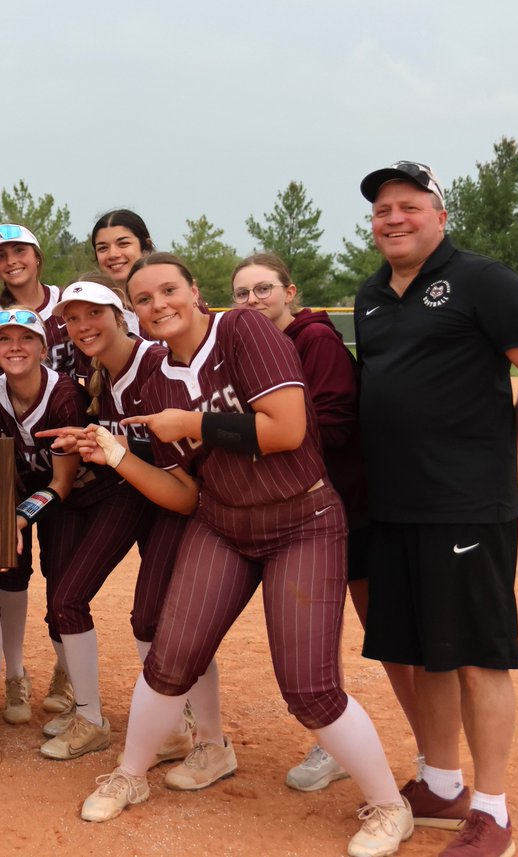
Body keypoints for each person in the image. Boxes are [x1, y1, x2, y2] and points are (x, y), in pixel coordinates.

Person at [74, 253, 413, 857]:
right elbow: (183, 497)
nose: (158, 306)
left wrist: (194, 422)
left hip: (302, 519)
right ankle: (130, 773)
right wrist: (118, 457)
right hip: (223, 523)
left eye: (168, 290)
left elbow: (287, 429)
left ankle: (389, 805)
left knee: (308, 688)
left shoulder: (241, 329)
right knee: (170, 658)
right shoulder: (154, 380)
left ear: (194, 290)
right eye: (144, 300)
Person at [355, 161, 518, 856]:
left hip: (463, 503)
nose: (393, 218)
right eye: (383, 209)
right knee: (427, 652)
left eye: (409, 206)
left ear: (440, 215)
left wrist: (498, 445)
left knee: (478, 656)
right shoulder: (369, 295)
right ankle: (442, 782)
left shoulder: (483, 279)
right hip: (394, 502)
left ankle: (493, 809)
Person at [231, 253, 421, 793]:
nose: (251, 301)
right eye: (241, 293)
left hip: (343, 505)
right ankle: (336, 743)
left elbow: (334, 422)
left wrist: (260, 436)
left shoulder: (314, 340)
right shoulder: (255, 344)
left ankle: (433, 759)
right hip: (305, 504)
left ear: (290, 291)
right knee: (323, 633)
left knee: (382, 632)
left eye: (263, 289)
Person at [39, 277, 221, 779]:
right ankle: (99, 718)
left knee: (156, 616)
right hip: (138, 492)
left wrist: (111, 444)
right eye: (72, 319)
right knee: (75, 598)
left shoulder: (153, 361)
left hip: (184, 499)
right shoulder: (100, 369)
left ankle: (188, 730)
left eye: (92, 314)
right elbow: (134, 445)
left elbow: (176, 443)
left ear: (119, 315)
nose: (81, 326)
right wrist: (95, 440)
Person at [0, 308, 86, 731]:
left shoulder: (65, 395)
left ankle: (66, 672)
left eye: (25, 339)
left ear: (43, 348)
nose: (15, 347)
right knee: (9, 573)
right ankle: (16, 674)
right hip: (17, 488)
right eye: (5, 339)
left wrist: (17, 520)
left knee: (63, 584)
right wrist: (6, 516)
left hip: (71, 494)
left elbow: (61, 481)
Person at [0, 224, 75, 377]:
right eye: (0, 256)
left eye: (19, 250)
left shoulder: (67, 301)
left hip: (69, 400)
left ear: (37, 257)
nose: (11, 261)